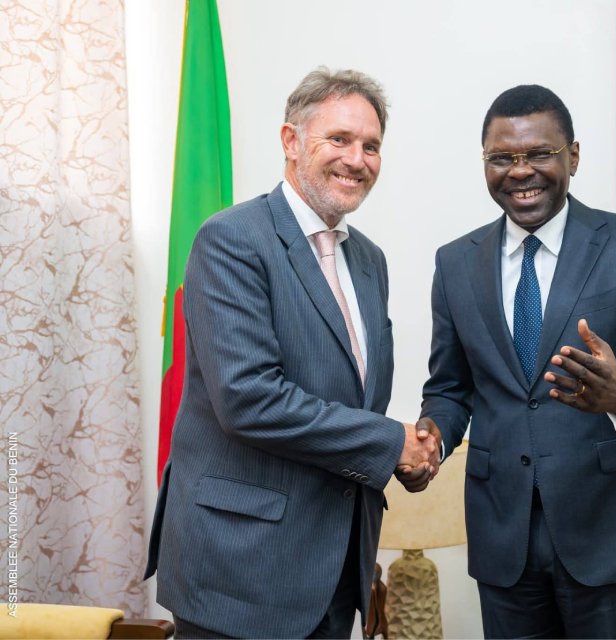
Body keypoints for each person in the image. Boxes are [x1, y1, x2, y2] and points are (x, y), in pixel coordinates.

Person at [143, 67, 440, 639]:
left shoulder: (369, 260)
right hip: (241, 572)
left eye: (371, 145)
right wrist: (390, 443)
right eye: (339, 139)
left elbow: (353, 394)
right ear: (290, 141)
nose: (357, 159)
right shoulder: (231, 240)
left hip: (333, 572)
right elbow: (250, 400)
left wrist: (407, 455)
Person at [407, 85, 616, 638]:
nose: (521, 172)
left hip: (610, 531)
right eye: (502, 158)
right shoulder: (455, 263)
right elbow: (450, 387)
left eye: (539, 154)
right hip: (503, 534)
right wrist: (432, 439)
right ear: (485, 163)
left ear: (573, 157)